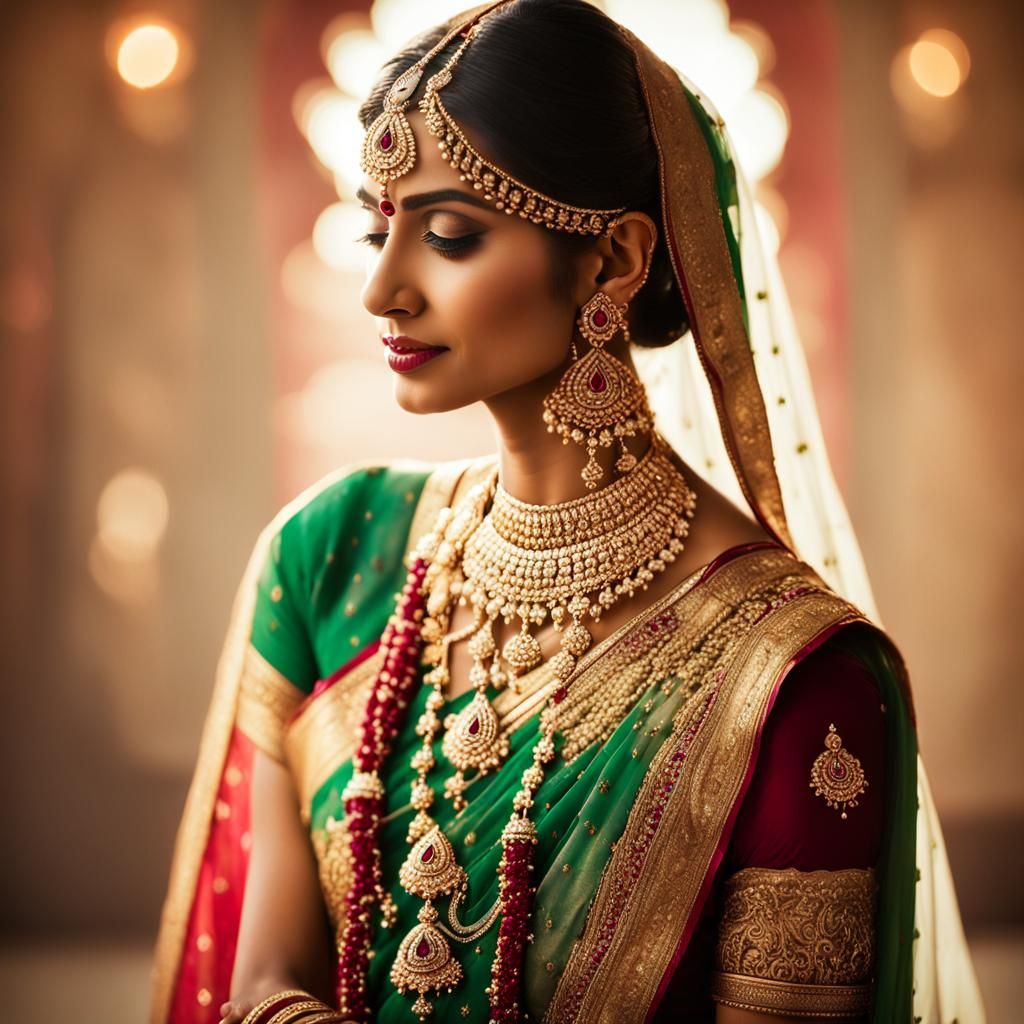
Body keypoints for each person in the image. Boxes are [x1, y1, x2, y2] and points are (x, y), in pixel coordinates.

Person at [150, 2, 985, 1022]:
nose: (381, 288)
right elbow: (259, 984)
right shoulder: (331, 560)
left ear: (612, 262)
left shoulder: (793, 683)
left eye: (449, 235)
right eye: (380, 228)